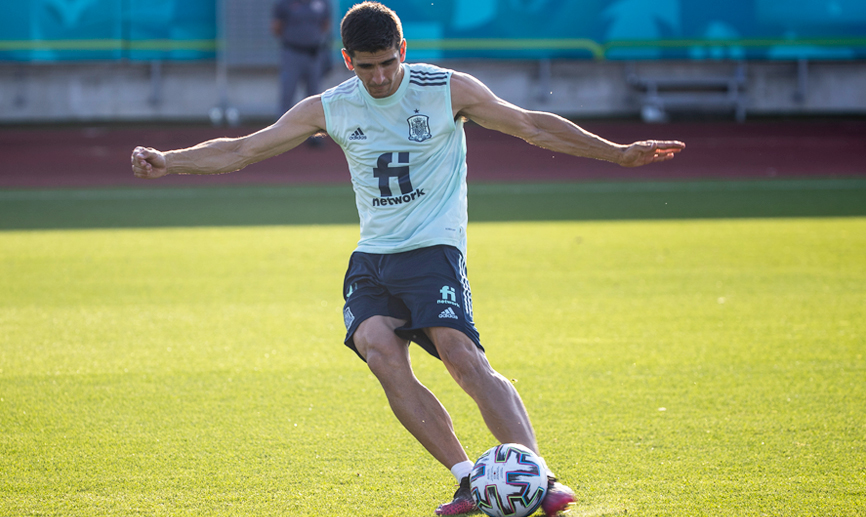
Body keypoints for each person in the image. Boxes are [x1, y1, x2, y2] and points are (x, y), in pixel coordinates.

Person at [131, 2, 685, 515]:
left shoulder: (447, 90)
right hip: (373, 256)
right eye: (366, 66)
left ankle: (537, 477)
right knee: (379, 351)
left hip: (434, 249)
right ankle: (469, 478)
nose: (378, 77)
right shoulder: (330, 106)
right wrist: (169, 160)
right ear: (347, 59)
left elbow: (532, 125)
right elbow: (244, 148)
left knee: (461, 357)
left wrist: (614, 152)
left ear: (404, 48)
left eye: (388, 63)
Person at [271, 0, 332, 116]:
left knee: (314, 96)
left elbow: (325, 24)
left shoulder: (322, 3)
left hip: (313, 54)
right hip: (292, 53)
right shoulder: (285, 3)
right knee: (287, 93)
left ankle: (313, 131)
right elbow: (277, 27)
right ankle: (284, 131)